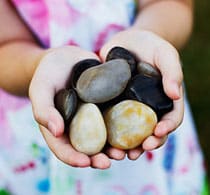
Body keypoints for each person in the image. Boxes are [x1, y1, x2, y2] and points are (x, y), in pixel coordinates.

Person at [0, 0, 207, 194]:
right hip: (35, 118)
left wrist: (148, 35)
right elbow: (5, 45)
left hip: (140, 111)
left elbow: (171, 4)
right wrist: (38, 67)